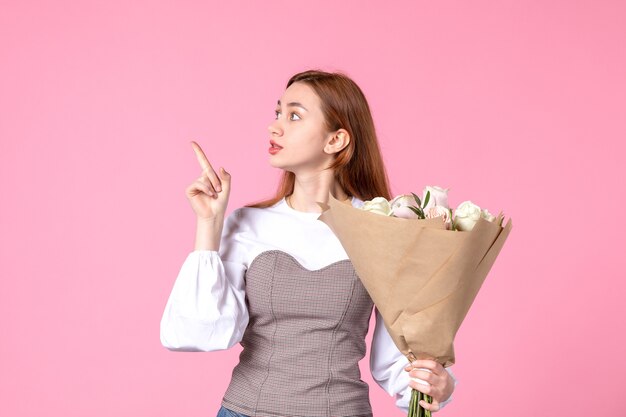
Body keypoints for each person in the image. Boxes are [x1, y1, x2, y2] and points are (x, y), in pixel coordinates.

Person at [160, 69, 457, 417]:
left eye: (294, 116)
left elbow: (400, 359)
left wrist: (440, 385)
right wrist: (209, 224)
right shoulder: (246, 224)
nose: (275, 126)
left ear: (336, 140)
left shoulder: (382, 228)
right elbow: (200, 333)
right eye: (277, 113)